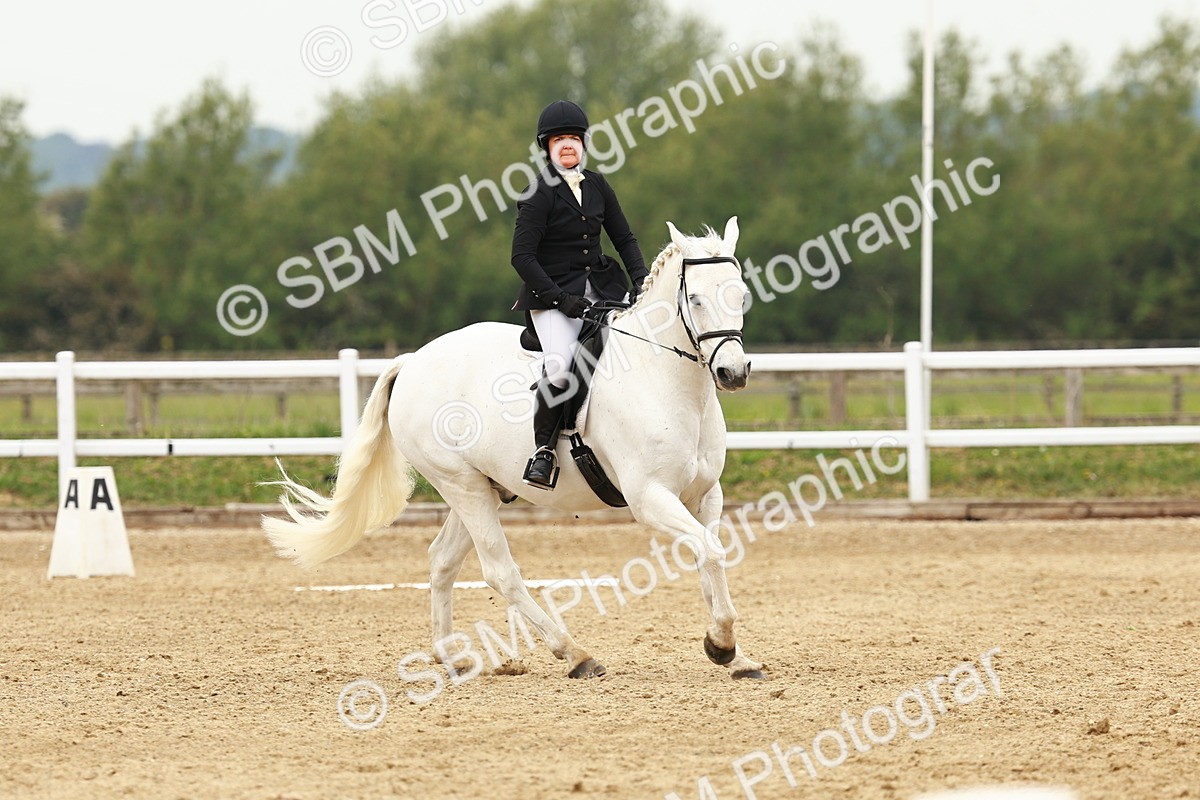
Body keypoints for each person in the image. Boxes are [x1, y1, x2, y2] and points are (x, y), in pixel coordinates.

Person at [511, 99, 649, 489]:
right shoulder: (538, 192)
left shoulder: (598, 185)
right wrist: (560, 299)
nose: (568, 144)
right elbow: (521, 257)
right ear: (547, 147)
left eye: (573, 138)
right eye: (559, 140)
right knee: (560, 367)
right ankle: (543, 451)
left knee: (636, 351)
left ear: (583, 143)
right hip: (552, 297)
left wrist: (642, 281)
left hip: (603, 289)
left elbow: (624, 238)